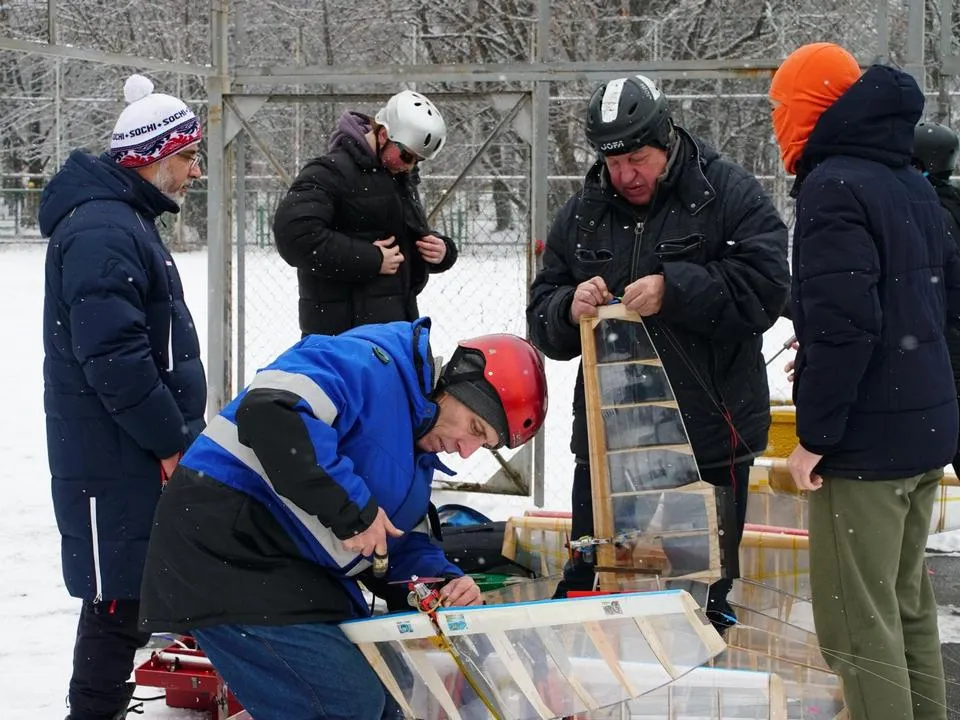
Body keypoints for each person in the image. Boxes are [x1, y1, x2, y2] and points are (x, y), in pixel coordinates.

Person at [138, 318, 548, 719]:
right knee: (346, 706)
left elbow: (395, 543)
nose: (465, 451)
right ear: (459, 383)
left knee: (390, 700)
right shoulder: (367, 363)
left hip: (290, 573)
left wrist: (442, 582)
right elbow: (271, 411)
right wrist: (353, 512)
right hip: (226, 547)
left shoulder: (416, 464)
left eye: (484, 445)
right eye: (475, 428)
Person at [526, 74, 789, 631]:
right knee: (594, 586)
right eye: (613, 163)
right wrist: (567, 307)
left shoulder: (727, 193)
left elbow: (768, 287)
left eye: (638, 160)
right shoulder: (583, 212)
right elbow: (542, 315)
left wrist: (676, 289)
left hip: (709, 442)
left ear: (666, 139)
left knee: (698, 600)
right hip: (609, 448)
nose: (625, 176)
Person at [773, 42, 958, 720]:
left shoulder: (834, 186)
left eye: (783, 106)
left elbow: (848, 325)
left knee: (855, 629)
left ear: (812, 108)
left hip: (866, 447)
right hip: (920, 428)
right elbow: (924, 306)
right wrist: (827, 355)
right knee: (904, 609)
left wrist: (816, 433)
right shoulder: (906, 178)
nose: (778, 121)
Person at [39, 73, 207, 720]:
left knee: (129, 598)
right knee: (115, 605)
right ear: (151, 158)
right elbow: (115, 358)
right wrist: (169, 442)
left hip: (128, 447)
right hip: (115, 454)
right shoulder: (104, 231)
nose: (196, 170)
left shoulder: (123, 220)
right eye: (188, 157)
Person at [273, 89, 458, 337]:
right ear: (383, 134)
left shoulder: (399, 177)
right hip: (342, 339)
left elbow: (399, 240)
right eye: (406, 155)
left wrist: (441, 251)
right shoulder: (330, 172)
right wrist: (371, 259)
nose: (410, 166)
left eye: (418, 160)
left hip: (392, 333)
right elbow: (295, 237)